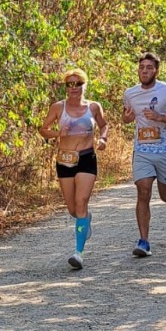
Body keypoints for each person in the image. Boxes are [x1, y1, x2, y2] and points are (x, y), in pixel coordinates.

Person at [40, 70, 109, 270]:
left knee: (81, 201)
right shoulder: (57, 107)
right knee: (73, 209)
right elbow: (43, 129)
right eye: (69, 84)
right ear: (65, 87)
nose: (74, 88)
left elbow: (104, 125)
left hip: (87, 158)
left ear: (84, 86)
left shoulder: (94, 107)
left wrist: (102, 139)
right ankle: (85, 219)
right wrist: (56, 133)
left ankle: (78, 253)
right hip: (65, 160)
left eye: (78, 83)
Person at [122, 51, 166, 257]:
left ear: (156, 70)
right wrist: (127, 118)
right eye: (142, 67)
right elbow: (126, 119)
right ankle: (144, 242)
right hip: (142, 150)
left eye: (149, 67)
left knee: (164, 194)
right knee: (143, 191)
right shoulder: (130, 93)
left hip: (165, 150)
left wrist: (160, 117)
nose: (144, 71)